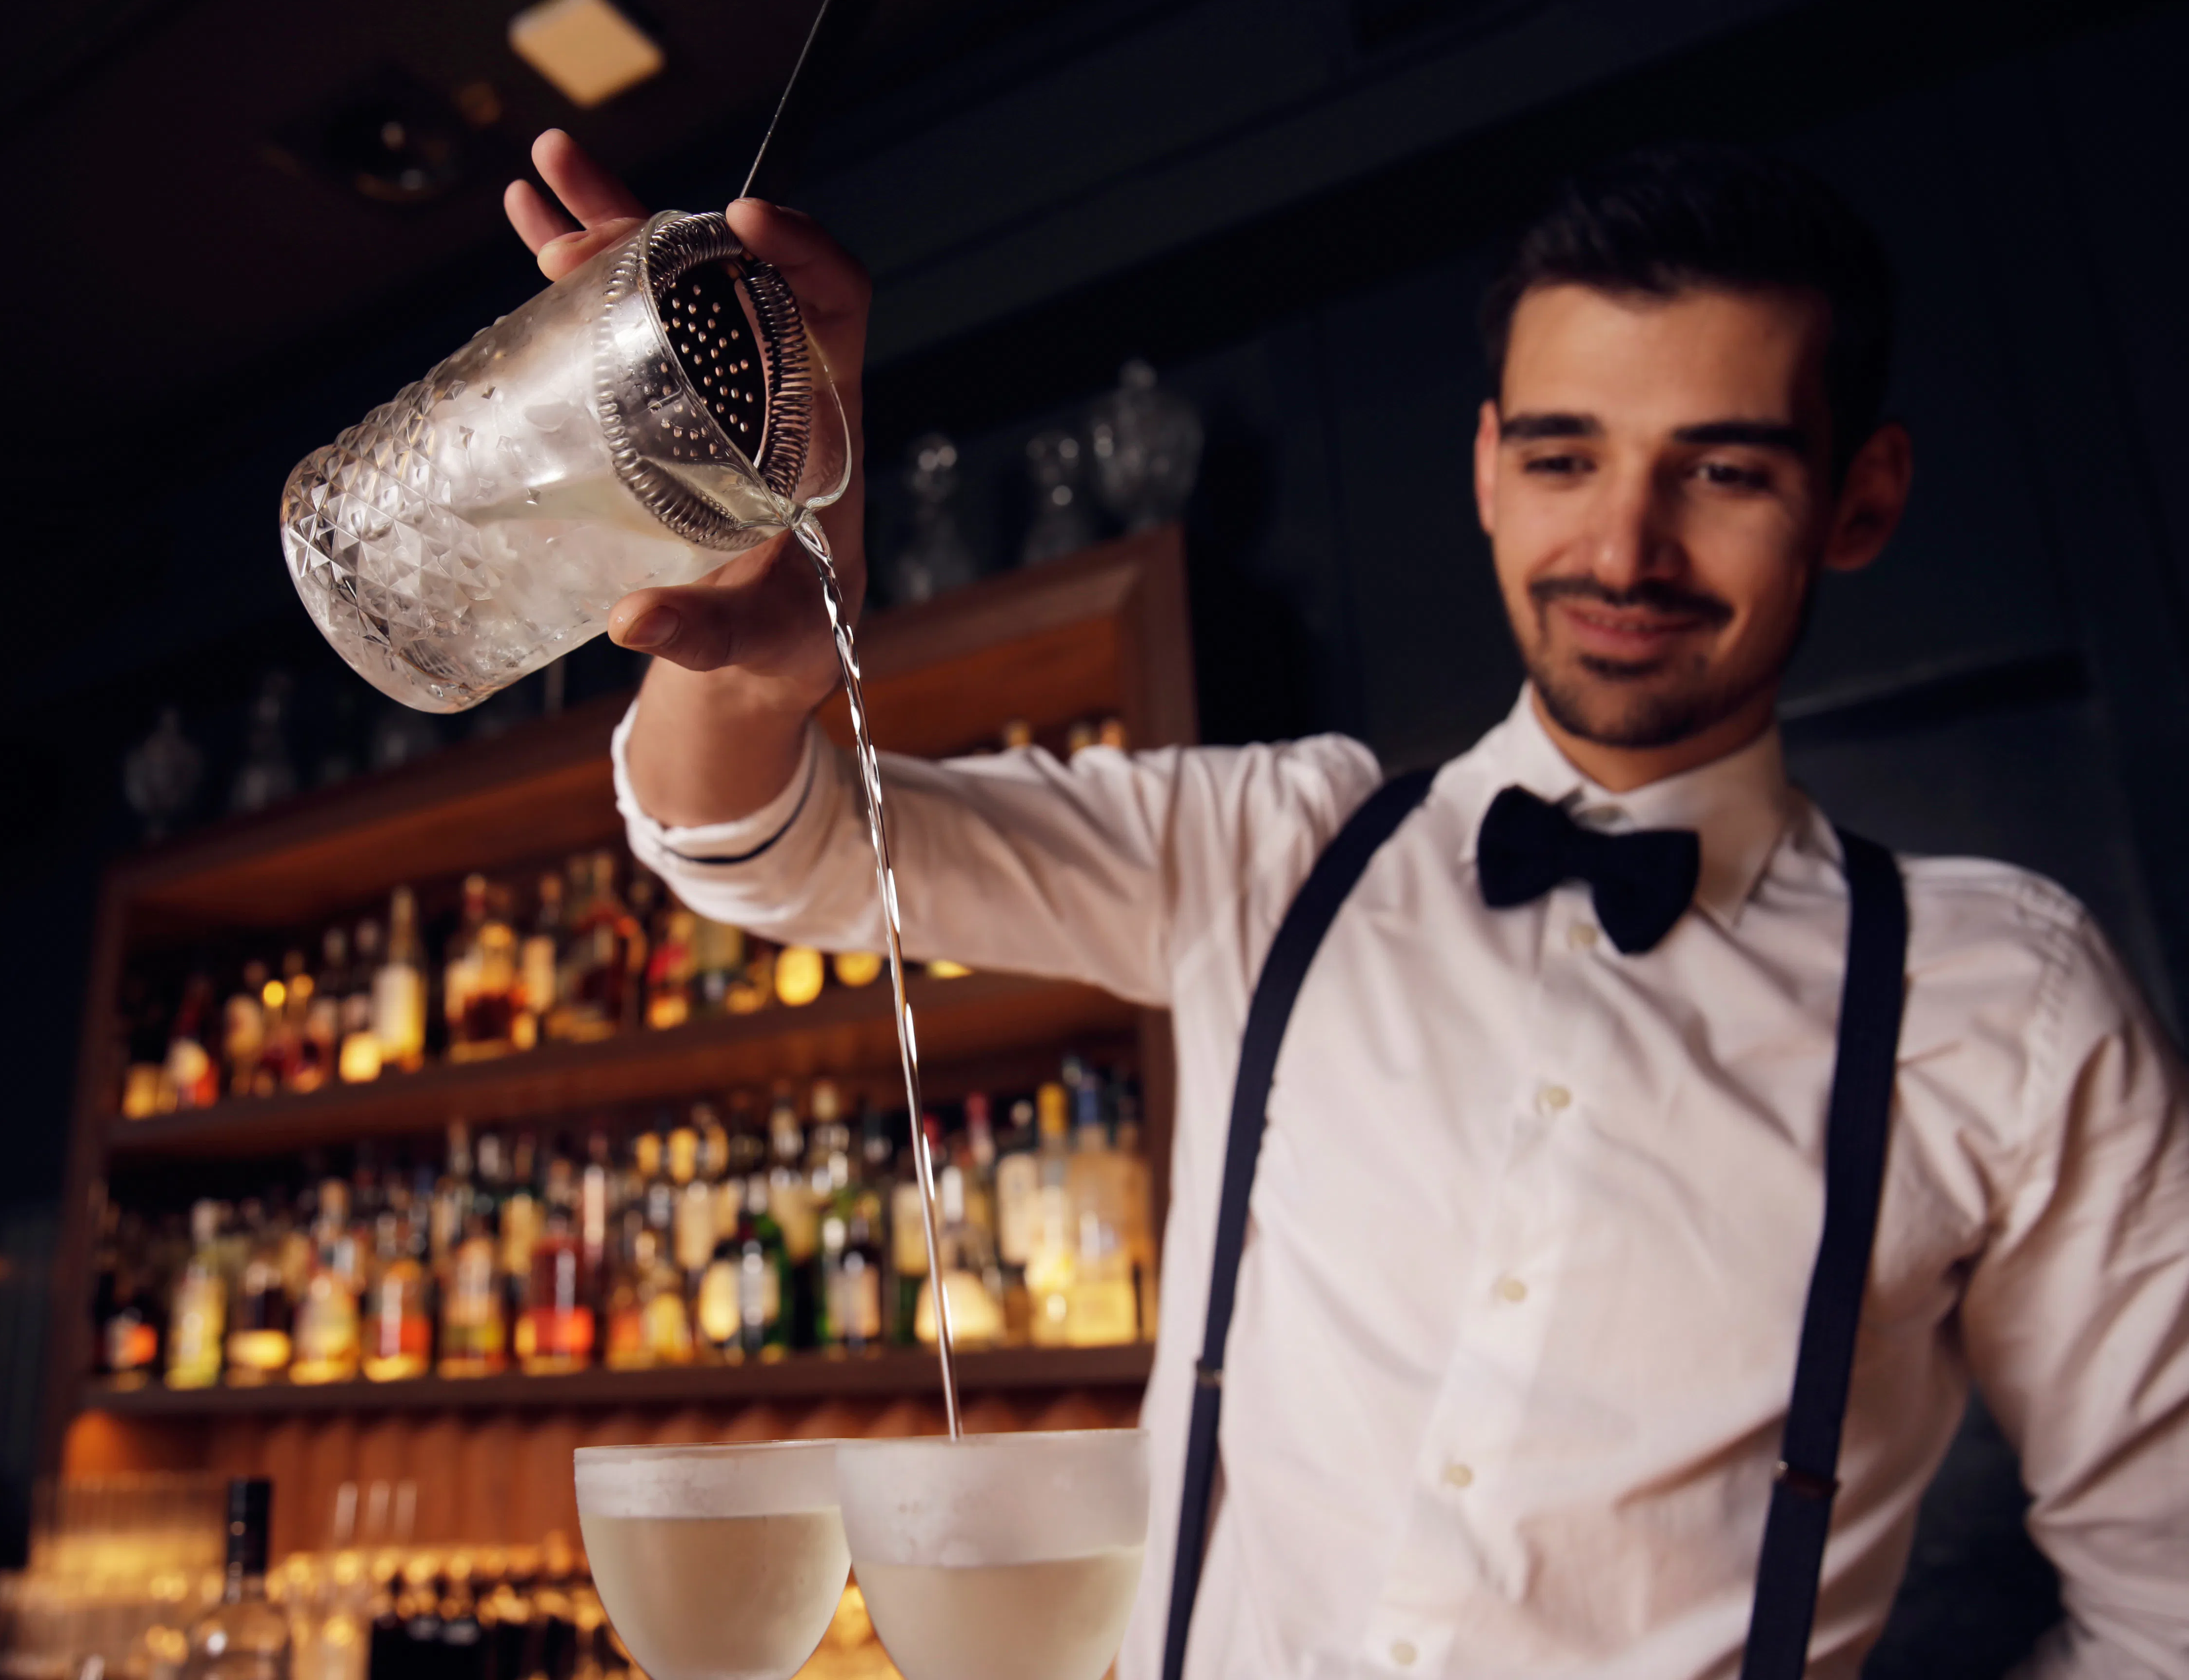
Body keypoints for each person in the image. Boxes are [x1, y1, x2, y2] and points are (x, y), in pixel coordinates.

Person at [504, 136, 2188, 1677]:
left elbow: (2168, 1608)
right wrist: (762, 664)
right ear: (1488, 469)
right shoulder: (1277, 848)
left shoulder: (2008, 1004)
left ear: (1862, 496)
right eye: (1565, 455)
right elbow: (768, 847)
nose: (1625, 548)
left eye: (1724, 472)